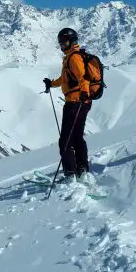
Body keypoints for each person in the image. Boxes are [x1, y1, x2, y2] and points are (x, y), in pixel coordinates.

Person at [43, 27, 92, 181]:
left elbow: (82, 78)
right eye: (60, 42)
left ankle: (70, 174)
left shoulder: (74, 58)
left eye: (64, 41)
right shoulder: (70, 57)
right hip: (80, 102)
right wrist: (52, 83)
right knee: (77, 137)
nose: (62, 45)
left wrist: (84, 92)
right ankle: (82, 169)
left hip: (75, 102)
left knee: (65, 140)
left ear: (72, 41)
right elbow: (66, 79)